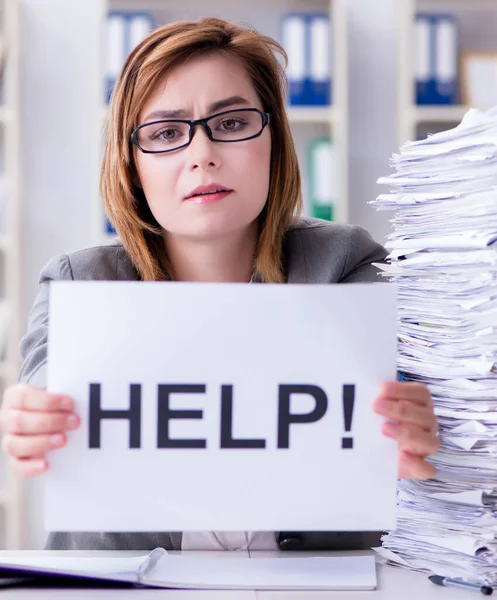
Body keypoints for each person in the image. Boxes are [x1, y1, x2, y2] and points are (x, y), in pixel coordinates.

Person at [0, 18, 439, 551]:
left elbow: (417, 415)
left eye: (231, 123)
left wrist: (427, 432)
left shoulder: (346, 262)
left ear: (273, 141)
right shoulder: (81, 280)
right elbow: (48, 384)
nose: (201, 154)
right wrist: (34, 417)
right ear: (131, 165)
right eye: (165, 133)